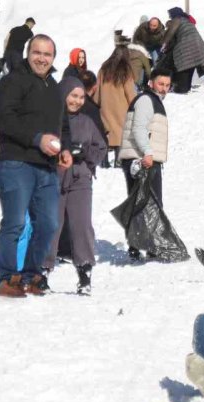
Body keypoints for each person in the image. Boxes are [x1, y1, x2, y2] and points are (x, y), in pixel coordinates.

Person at [0, 34, 73, 298]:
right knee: (15, 222)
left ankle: (31, 274)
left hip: (46, 167)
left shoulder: (54, 87)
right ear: (28, 53)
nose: (42, 59)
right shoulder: (14, 80)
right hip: (16, 162)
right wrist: (37, 139)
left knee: (49, 223)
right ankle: (7, 278)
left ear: (53, 58)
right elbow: (3, 117)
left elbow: (63, 125)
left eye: (47, 54)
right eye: (37, 52)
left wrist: (65, 148)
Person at [42, 78, 107, 295]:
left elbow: (101, 148)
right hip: (54, 179)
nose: (77, 101)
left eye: (81, 97)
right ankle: (43, 270)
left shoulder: (87, 121)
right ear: (63, 94)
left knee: (82, 225)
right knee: (52, 224)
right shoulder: (49, 119)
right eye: (73, 96)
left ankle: (84, 272)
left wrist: (84, 153)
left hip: (80, 179)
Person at [119, 69, 172, 260]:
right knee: (147, 203)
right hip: (141, 158)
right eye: (161, 84)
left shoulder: (152, 100)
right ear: (151, 83)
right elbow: (139, 128)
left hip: (143, 158)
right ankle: (142, 246)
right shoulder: (146, 100)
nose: (164, 89)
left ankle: (144, 245)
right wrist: (148, 152)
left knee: (146, 202)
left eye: (167, 85)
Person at [94, 47, 137, 169]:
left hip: (105, 108)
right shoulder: (126, 71)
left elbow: (97, 90)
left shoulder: (103, 69)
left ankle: (104, 161)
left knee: (107, 133)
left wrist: (96, 103)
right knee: (120, 134)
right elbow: (130, 93)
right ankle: (119, 160)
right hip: (121, 108)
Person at [161, 7, 204, 93]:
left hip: (186, 49)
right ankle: (186, 87)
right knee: (190, 68)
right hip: (198, 47)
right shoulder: (187, 21)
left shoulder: (177, 20)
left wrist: (163, 44)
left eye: (170, 15)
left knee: (184, 71)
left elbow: (170, 33)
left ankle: (182, 89)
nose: (170, 17)